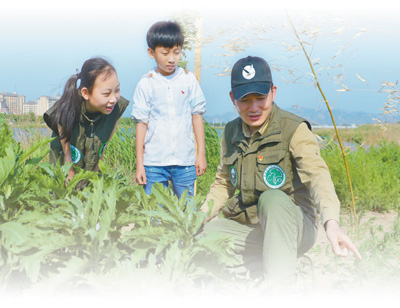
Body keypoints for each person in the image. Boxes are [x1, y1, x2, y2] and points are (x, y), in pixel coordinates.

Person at [200, 56, 361, 284]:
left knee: (273, 198)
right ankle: (268, 264)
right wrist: (200, 215)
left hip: (294, 227)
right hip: (251, 226)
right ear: (232, 99)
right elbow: (223, 182)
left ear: (273, 92)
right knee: (198, 238)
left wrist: (331, 223)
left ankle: (280, 287)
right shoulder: (230, 132)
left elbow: (318, 177)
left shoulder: (294, 128)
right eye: (245, 100)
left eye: (261, 98)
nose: (254, 108)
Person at [131, 21, 207, 198]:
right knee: (155, 215)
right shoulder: (146, 83)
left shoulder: (188, 80)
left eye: (176, 52)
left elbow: (197, 117)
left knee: (186, 214)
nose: (171, 58)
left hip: (185, 161)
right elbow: (141, 124)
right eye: (165, 53)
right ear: (152, 52)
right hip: (154, 163)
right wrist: (140, 164)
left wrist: (200, 154)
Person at [44, 57, 129, 185]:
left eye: (117, 90)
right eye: (106, 94)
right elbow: (64, 139)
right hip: (64, 160)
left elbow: (104, 145)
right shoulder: (68, 105)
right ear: (85, 93)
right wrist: (69, 168)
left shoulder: (116, 108)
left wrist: (95, 171)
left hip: (91, 161)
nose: (113, 99)